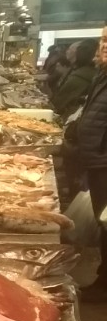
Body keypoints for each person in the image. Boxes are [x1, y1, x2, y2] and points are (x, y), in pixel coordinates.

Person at [63, 26, 107, 228]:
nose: (105, 46)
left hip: (103, 163)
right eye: (104, 40)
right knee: (102, 219)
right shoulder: (102, 75)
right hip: (95, 162)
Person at [54, 39, 101, 121]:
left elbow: (59, 102)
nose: (67, 51)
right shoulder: (97, 74)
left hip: (72, 120)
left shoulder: (80, 75)